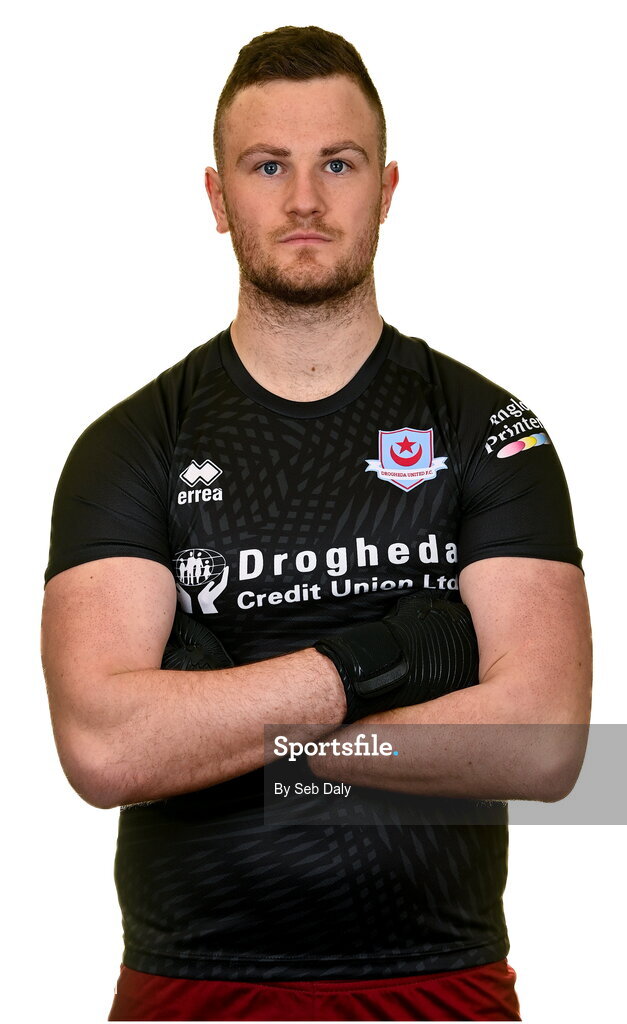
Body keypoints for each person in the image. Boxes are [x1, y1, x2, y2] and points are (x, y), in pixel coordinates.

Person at [41, 24, 592, 1023]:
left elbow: (548, 744)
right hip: (192, 987)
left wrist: (249, 742)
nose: (304, 199)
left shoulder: (492, 430)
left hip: (439, 983)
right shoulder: (131, 445)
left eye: (338, 163)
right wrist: (387, 659)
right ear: (218, 197)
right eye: (268, 166)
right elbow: (106, 751)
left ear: (386, 189)